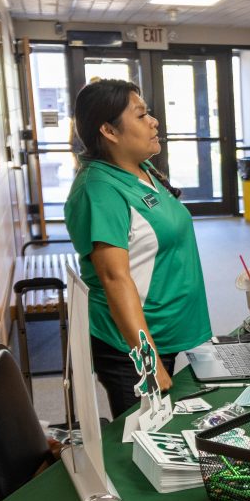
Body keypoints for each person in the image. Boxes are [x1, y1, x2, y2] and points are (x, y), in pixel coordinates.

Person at [65, 79, 212, 417]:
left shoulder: (140, 169)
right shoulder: (99, 190)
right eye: (142, 115)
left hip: (164, 331)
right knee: (143, 444)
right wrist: (149, 362)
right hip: (132, 347)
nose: (154, 121)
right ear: (109, 131)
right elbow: (115, 279)